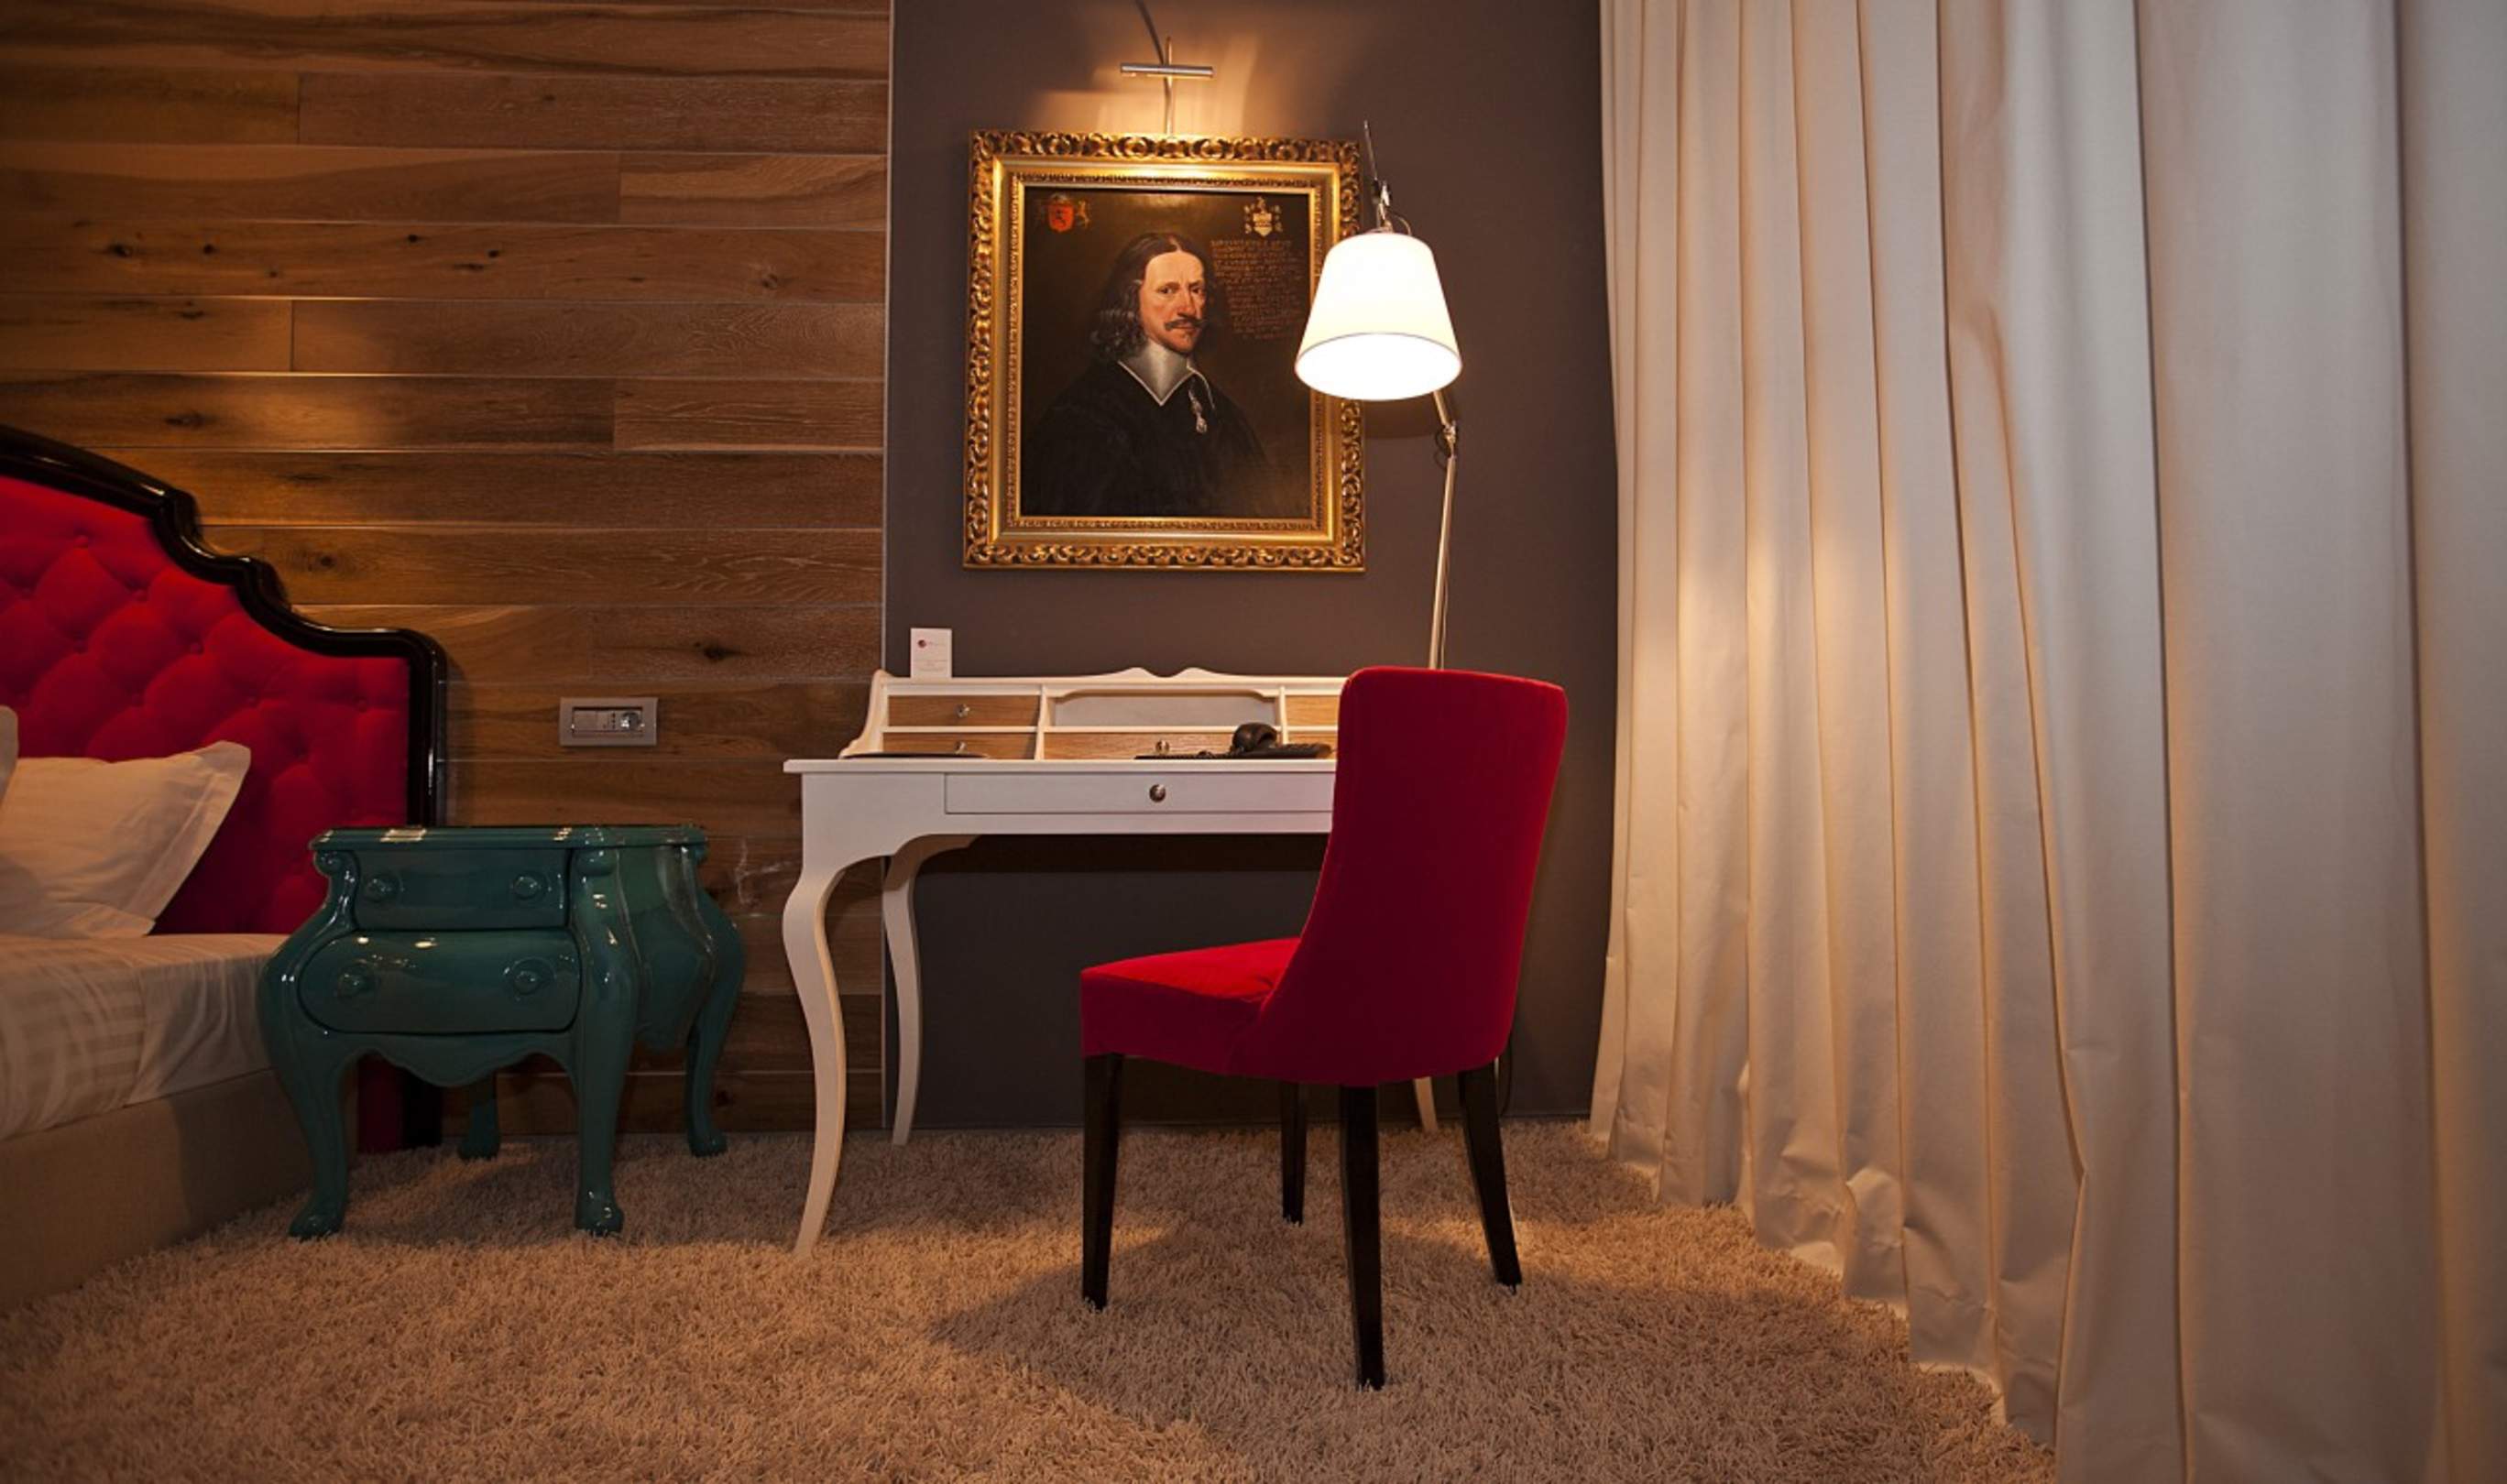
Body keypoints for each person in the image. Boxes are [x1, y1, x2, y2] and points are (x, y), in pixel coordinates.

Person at [1024, 230, 1283, 519]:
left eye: (1196, 290)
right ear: (1131, 299)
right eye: (1167, 291)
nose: (1188, 308)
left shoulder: (1221, 409)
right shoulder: (1086, 415)